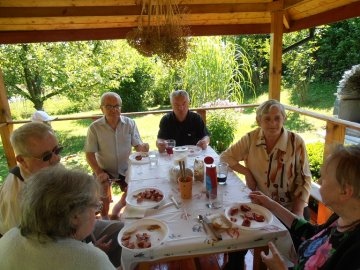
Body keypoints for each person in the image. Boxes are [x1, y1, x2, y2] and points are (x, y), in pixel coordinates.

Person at [0, 122, 123, 267]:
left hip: (73, 226)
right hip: (49, 247)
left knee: (122, 230)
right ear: (21, 160)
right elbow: (31, 253)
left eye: (57, 150)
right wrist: (90, 251)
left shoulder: (48, 169)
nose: (56, 159)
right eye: (46, 156)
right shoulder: (16, 200)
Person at [220, 99, 312, 270]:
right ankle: (236, 264)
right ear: (259, 121)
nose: (273, 123)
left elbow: (305, 178)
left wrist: (297, 213)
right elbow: (225, 157)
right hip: (260, 203)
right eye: (267, 119)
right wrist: (247, 172)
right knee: (238, 236)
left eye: (277, 118)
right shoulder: (251, 138)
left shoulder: (295, 142)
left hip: (290, 205)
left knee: (302, 251)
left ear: (284, 119)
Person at [250, 144, 360, 270]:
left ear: (345, 192)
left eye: (324, 178)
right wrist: (272, 205)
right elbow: (312, 233)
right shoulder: (342, 217)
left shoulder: (355, 252)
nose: (318, 182)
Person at [0, 165, 117, 270]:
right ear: (75, 217)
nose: (96, 212)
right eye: (96, 206)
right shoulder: (93, 260)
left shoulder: (9, 237)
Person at [85, 92, 149, 220]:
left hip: (126, 168)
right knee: (103, 198)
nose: (113, 110)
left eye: (117, 106)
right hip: (104, 169)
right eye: (109, 106)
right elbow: (89, 153)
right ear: (101, 108)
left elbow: (138, 146)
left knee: (133, 192)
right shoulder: (94, 128)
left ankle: (117, 208)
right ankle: (105, 219)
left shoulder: (130, 123)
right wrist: (98, 172)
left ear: (121, 108)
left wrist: (143, 148)